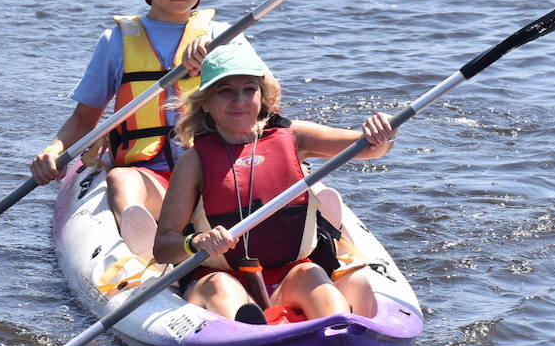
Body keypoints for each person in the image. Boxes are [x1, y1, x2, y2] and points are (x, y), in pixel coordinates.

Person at [30, 0, 244, 251]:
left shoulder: (223, 39)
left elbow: (265, 105)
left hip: (212, 174)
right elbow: (85, 118)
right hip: (150, 178)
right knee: (121, 178)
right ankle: (139, 249)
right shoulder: (115, 41)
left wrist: (216, 64)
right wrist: (54, 151)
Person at [153, 41, 396, 325]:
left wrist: (385, 132)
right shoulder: (194, 162)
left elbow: (369, 149)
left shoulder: (293, 137)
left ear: (262, 95)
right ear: (205, 103)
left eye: (249, 89)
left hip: (290, 272)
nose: (240, 100)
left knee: (314, 275)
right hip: (219, 277)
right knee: (221, 287)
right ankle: (247, 336)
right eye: (226, 91)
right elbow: (162, 247)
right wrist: (197, 242)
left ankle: (337, 339)